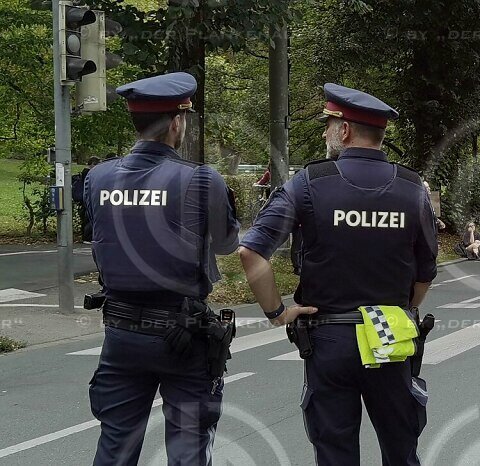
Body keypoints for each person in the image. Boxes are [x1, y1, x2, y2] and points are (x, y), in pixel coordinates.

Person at [239, 83, 436, 464]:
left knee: (335, 453)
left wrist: (278, 313)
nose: (325, 132)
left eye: (328, 124)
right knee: (401, 450)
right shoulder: (412, 189)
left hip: (327, 337)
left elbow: (251, 253)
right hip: (389, 334)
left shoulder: (308, 183)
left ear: (344, 130)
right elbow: (425, 272)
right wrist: (401, 310)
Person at [85, 72, 240, 465]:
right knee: (188, 446)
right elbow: (227, 244)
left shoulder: (97, 177)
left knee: (116, 445)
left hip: (120, 334)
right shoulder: (202, 179)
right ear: (177, 123)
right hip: (182, 337)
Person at [73, 155, 101, 243]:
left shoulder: (85, 172)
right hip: (88, 198)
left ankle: (85, 236)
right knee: (88, 218)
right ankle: (87, 237)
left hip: (84, 198)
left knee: (85, 218)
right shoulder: (88, 173)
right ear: (93, 164)